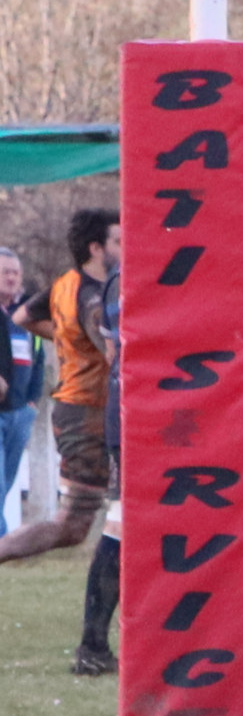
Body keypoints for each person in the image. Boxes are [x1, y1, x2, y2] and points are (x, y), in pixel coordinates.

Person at [0, 211, 118, 577]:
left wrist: (69, 339)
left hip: (74, 406)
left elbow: (22, 317)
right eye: (119, 242)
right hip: (89, 411)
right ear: (96, 248)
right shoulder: (94, 298)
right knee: (73, 524)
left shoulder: (66, 283)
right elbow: (114, 354)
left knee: (81, 524)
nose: (126, 249)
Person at [0, 248, 46, 537]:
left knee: (6, 483)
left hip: (21, 411)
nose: (12, 278)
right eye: (5, 272)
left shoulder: (27, 312)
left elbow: (38, 354)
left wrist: (32, 400)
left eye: (16, 273)